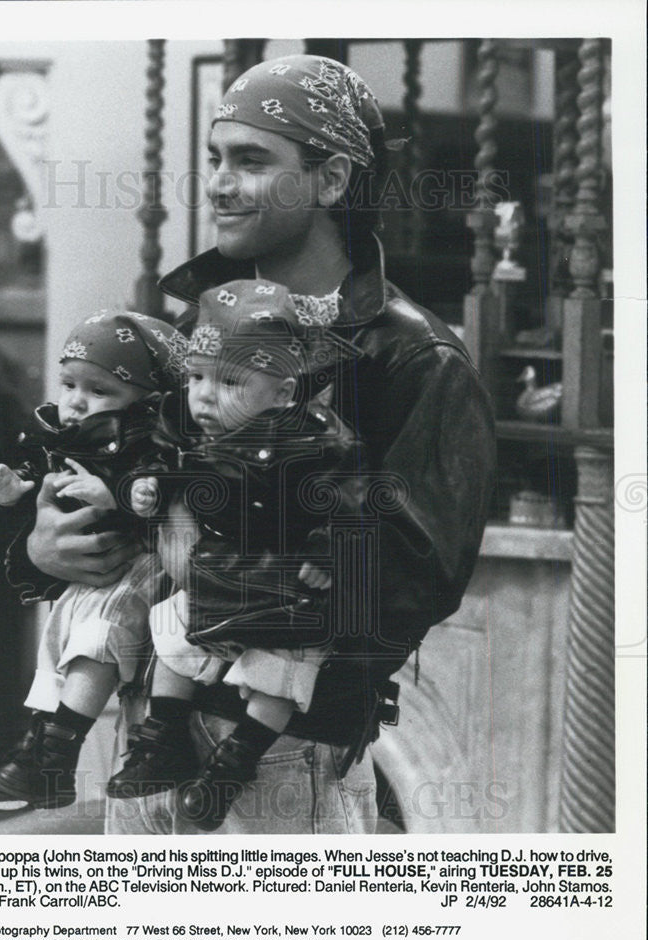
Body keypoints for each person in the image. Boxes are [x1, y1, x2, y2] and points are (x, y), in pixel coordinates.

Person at [24, 53, 496, 835]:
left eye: (249, 160)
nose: (216, 182)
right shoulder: (189, 333)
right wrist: (52, 545)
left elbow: (420, 573)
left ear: (333, 180)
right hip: (143, 730)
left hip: (282, 751)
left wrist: (251, 606)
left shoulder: (411, 357)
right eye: (214, 158)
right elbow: (132, 490)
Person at [105, 279, 364, 829]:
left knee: (280, 671)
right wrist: (148, 488)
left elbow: (351, 500)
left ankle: (237, 759)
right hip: (216, 577)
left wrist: (325, 548)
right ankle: (163, 737)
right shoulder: (197, 438)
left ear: (284, 393)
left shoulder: (319, 442)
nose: (203, 395)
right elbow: (164, 470)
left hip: (285, 589)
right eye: (196, 377)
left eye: (228, 381)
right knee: (170, 632)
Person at [0, 309, 186, 810]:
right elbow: (37, 482)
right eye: (69, 384)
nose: (75, 402)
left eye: (98, 391)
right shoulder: (57, 430)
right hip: (93, 571)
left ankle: (55, 748)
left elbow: (160, 483)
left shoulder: (148, 435)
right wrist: (15, 490)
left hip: (141, 562)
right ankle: (45, 755)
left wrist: (115, 492)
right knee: (62, 635)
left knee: (100, 630)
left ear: (145, 398)